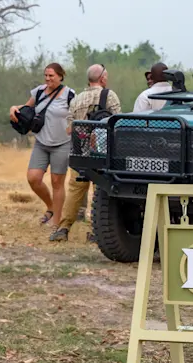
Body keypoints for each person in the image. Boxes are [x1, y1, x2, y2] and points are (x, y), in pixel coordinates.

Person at [50, 64, 122, 242]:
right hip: (103, 154)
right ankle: (96, 232)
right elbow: (118, 123)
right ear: (103, 79)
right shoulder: (110, 96)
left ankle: (63, 228)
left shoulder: (77, 99)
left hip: (80, 153)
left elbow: (69, 129)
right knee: (101, 192)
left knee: (75, 190)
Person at [9, 63, 75, 228]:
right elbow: (25, 107)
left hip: (62, 143)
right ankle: (51, 207)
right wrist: (14, 108)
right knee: (33, 178)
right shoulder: (38, 92)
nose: (48, 79)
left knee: (57, 182)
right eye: (46, 75)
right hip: (41, 142)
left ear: (60, 76)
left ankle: (56, 222)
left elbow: (77, 115)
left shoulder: (70, 94)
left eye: (51, 76)